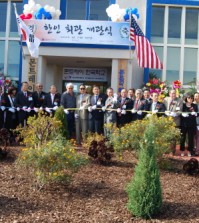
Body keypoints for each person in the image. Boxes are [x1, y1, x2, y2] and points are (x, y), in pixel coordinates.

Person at [164, 89, 183, 155]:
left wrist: (175, 114)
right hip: (167, 121)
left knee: (173, 137)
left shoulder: (179, 100)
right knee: (167, 136)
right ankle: (166, 150)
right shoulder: (166, 99)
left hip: (175, 121)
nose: (173, 95)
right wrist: (165, 112)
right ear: (169, 94)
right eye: (172, 93)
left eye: (174, 93)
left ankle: (172, 151)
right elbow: (163, 108)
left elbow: (180, 111)